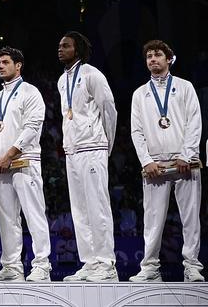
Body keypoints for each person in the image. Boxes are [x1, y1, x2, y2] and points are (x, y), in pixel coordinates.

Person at [128, 40, 203, 282]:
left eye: (158, 55)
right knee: (152, 219)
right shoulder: (140, 94)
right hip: (155, 164)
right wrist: (145, 161)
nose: (153, 59)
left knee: (190, 217)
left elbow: (194, 122)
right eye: (149, 56)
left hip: (185, 162)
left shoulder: (184, 87)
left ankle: (192, 266)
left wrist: (186, 154)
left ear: (169, 59)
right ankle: (150, 268)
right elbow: (136, 131)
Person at [0, 47, 51, 282]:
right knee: (7, 219)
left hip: (24, 161)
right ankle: (12, 266)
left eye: (5, 62)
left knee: (34, 214)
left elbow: (32, 128)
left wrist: (9, 155)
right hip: (0, 166)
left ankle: (42, 265)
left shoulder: (31, 92)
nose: (0, 66)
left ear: (18, 65)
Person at [57, 31, 118, 282]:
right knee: (80, 210)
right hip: (72, 150)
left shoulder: (93, 75)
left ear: (78, 50)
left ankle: (106, 263)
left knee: (97, 206)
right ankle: (90, 262)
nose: (60, 49)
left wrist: (105, 144)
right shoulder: (62, 80)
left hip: (93, 148)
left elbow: (109, 110)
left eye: (66, 46)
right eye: (60, 46)